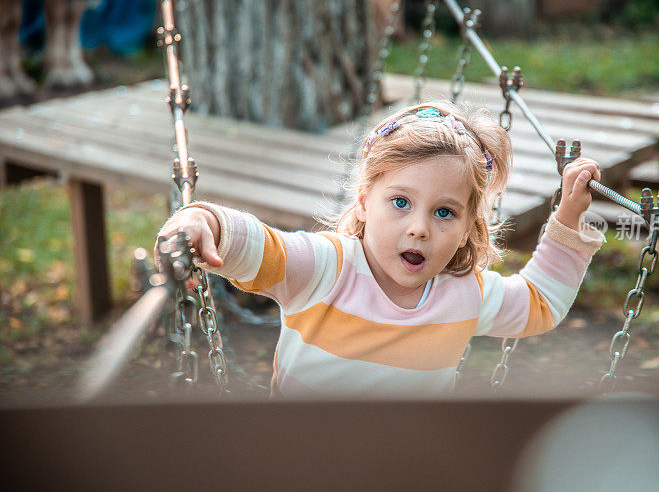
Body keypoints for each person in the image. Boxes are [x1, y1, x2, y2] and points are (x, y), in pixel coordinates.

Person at [155, 101, 605, 397]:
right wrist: (204, 221)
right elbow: (263, 247)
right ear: (365, 202)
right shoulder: (328, 268)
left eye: (445, 213)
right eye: (401, 202)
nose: (419, 229)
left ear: (470, 227)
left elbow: (540, 303)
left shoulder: (466, 294)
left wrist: (566, 219)